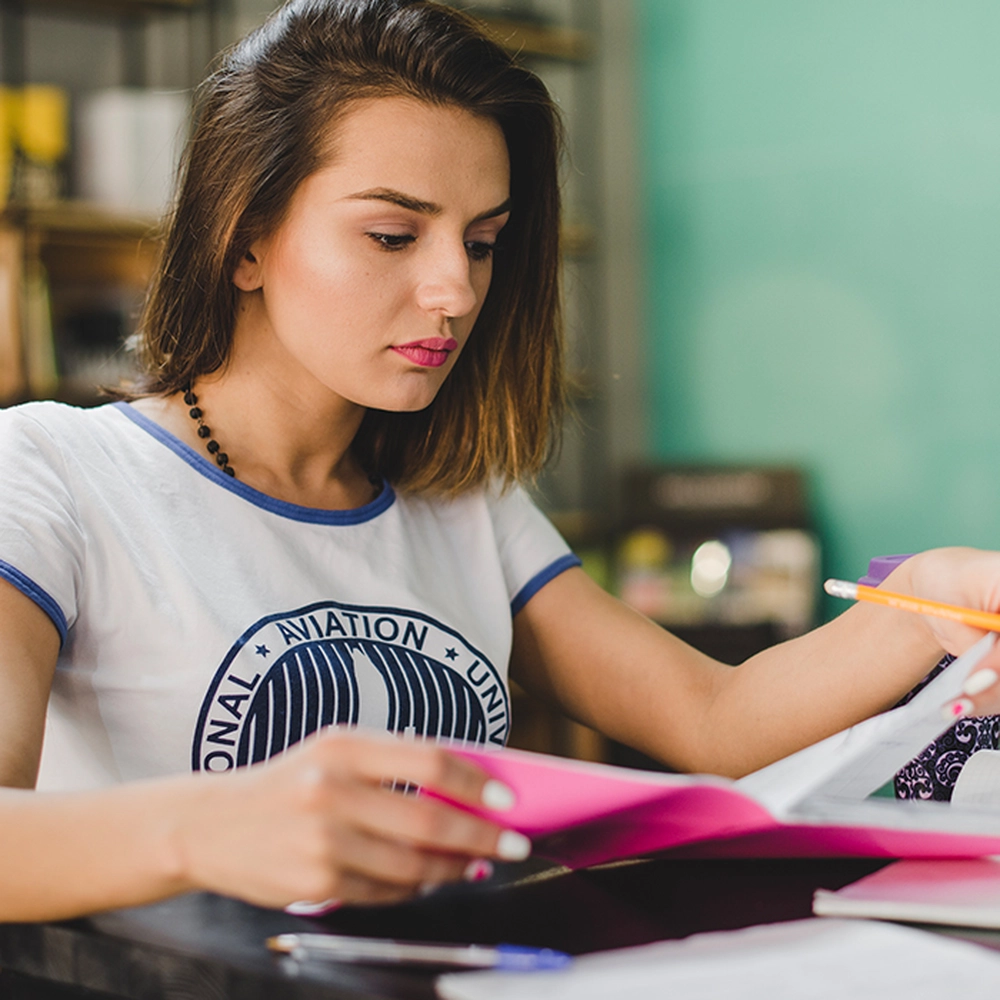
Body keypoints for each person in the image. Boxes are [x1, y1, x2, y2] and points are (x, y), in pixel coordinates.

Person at [2, 0, 1000, 922]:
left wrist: (931, 597)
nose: (453, 290)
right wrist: (206, 827)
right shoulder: (51, 474)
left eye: (481, 242)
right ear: (243, 237)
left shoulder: (458, 502)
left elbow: (712, 717)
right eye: (392, 234)